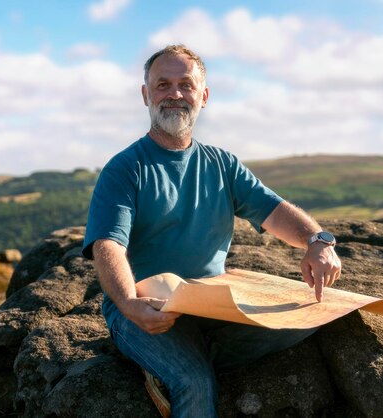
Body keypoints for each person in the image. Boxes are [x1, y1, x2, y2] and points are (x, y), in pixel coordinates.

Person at [82, 44, 341, 418]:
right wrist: (127, 304)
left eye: (185, 85)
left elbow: (275, 210)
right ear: (145, 95)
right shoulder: (125, 168)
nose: (174, 94)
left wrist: (318, 241)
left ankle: (173, 362)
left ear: (203, 96)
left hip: (213, 305)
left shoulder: (222, 164)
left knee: (316, 316)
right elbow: (108, 245)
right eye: (163, 85)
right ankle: (177, 366)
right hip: (149, 308)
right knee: (194, 382)